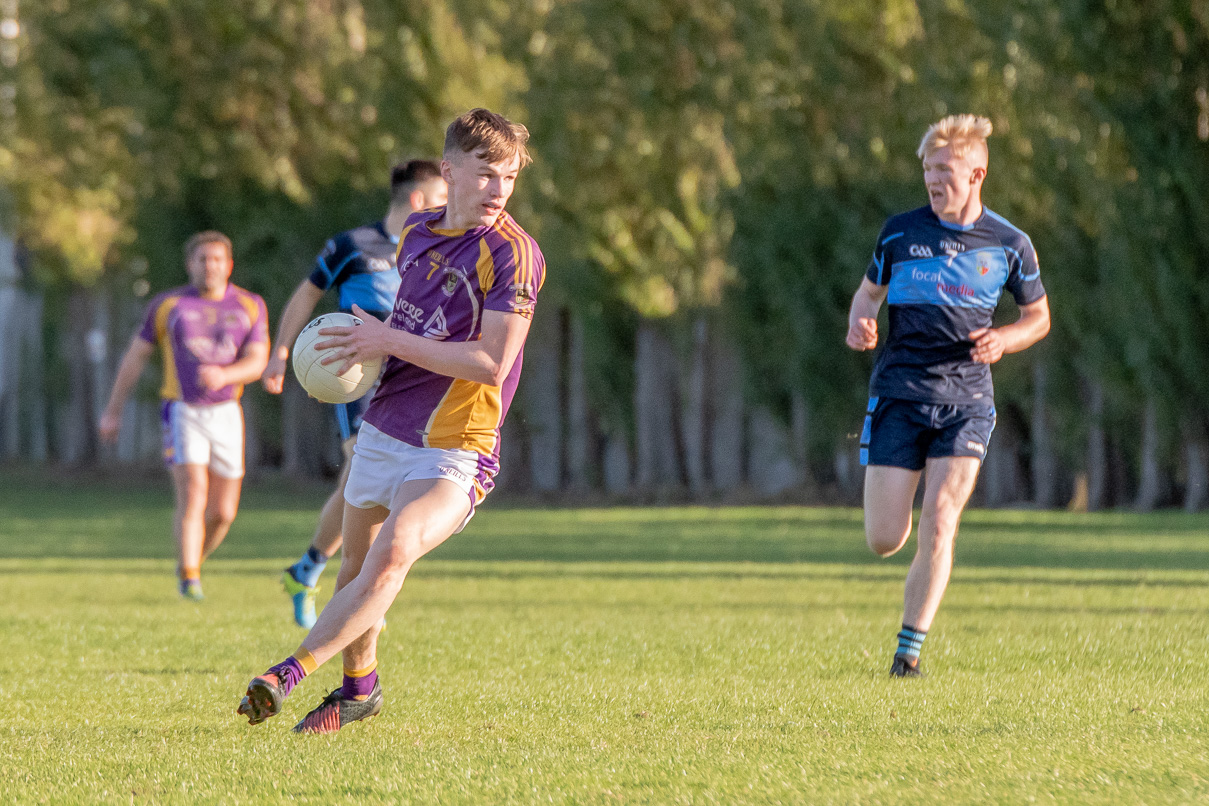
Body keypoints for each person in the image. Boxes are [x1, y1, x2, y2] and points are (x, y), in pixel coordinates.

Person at [237, 108, 544, 733]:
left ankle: (287, 674)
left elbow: (490, 362)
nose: (498, 191)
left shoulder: (515, 254)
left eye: (509, 179)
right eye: (486, 175)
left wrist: (386, 340)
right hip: (384, 429)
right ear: (449, 169)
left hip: (457, 447)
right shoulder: (418, 234)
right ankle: (359, 689)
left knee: (394, 552)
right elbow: (409, 330)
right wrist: (358, 355)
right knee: (354, 573)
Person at [845, 114, 1050, 677]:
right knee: (885, 538)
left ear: (977, 172)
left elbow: (1039, 317)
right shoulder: (899, 234)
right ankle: (898, 516)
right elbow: (866, 296)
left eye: (945, 171)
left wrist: (1006, 338)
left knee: (941, 519)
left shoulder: (1010, 244)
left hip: (967, 401)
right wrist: (860, 323)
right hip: (899, 393)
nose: (934, 181)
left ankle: (907, 655)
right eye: (928, 170)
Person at [262, 160, 448, 629]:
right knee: (363, 476)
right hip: (356, 378)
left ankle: (306, 570)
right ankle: (359, 586)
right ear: (417, 200)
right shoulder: (353, 245)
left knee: (362, 485)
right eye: (442, 197)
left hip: (410, 378)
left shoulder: (435, 249)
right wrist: (280, 352)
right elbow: (307, 295)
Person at [100, 231, 269, 600]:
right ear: (189, 264)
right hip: (181, 410)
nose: (210, 266)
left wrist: (225, 374)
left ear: (229, 264)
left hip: (227, 411)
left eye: (217, 259)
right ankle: (190, 579)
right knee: (193, 494)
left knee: (223, 512)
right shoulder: (168, 305)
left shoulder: (250, 305)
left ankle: (190, 563)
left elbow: (258, 361)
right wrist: (113, 410)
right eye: (202, 259)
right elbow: (135, 357)